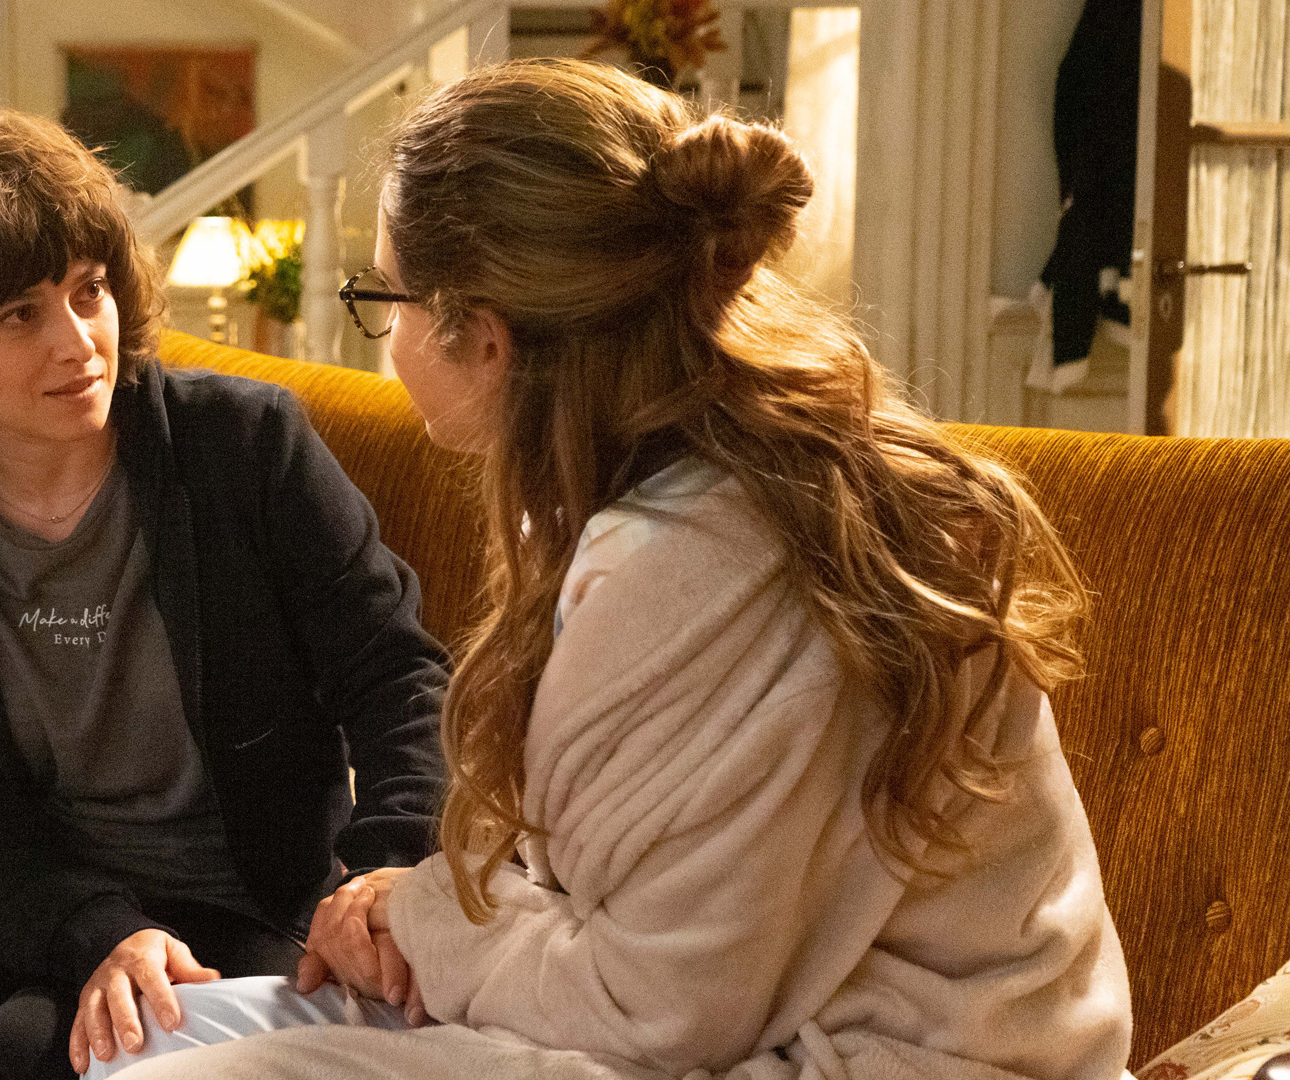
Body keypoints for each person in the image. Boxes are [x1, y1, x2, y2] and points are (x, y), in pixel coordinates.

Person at [92, 58, 1134, 1080]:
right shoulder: (699, 485)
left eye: (387, 299)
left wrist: (423, 917)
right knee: (161, 1042)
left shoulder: (694, 559)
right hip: (765, 1021)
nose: (389, 339)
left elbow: (653, 1010)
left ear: (484, 338)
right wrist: (412, 904)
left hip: (880, 1056)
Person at [0, 107, 449, 1080]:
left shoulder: (245, 448)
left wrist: (390, 868)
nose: (79, 342)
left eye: (88, 291)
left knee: (22, 1057)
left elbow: (396, 676)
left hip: (241, 886)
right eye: (21, 315)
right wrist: (97, 929)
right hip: (39, 876)